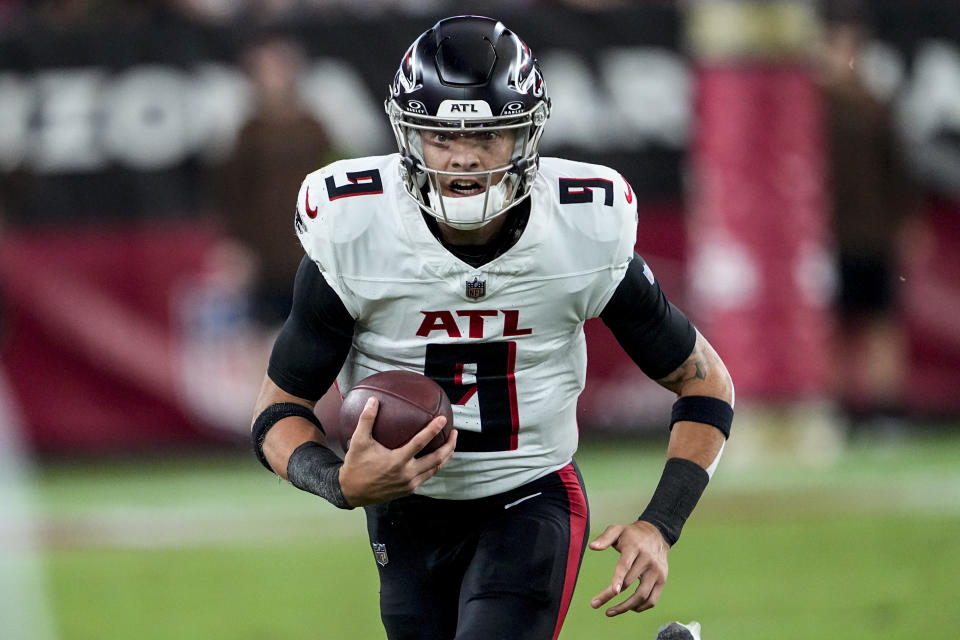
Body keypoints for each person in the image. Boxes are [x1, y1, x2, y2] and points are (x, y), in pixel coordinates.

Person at [251, 16, 734, 640]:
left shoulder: (580, 226)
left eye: (486, 133)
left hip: (531, 494)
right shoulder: (356, 230)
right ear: (407, 136)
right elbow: (276, 412)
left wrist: (660, 523)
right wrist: (338, 482)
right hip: (405, 516)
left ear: (525, 135)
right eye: (439, 135)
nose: (463, 156)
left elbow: (706, 386)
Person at [818, 1, 918, 426]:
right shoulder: (807, 106)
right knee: (834, 327)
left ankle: (887, 411)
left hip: (872, 233)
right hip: (827, 237)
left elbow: (899, 169)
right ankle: (841, 410)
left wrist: (909, 220)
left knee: (881, 323)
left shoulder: (876, 104)